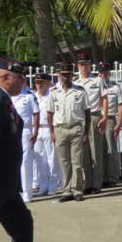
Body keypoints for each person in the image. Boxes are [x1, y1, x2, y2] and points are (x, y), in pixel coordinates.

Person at [0, 58, 54, 242]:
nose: (24, 82)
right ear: (5, 78)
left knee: (22, 223)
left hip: (6, 184)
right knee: (22, 224)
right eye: (19, 78)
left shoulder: (5, 100)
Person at [47, 62, 90, 202]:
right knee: (64, 162)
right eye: (62, 75)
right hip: (60, 129)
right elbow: (49, 113)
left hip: (76, 128)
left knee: (77, 161)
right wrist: (52, 132)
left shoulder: (80, 91)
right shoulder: (54, 92)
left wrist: (86, 132)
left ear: (72, 75)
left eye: (67, 75)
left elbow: (87, 112)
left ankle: (77, 190)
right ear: (58, 75)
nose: (65, 77)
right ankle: (66, 190)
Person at [74, 53, 103, 194]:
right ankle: (87, 183)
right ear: (78, 66)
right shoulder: (75, 82)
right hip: (80, 119)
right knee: (83, 152)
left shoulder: (97, 80)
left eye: (86, 64)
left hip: (94, 115)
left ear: (90, 65)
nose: (83, 67)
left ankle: (96, 184)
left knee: (96, 151)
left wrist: (104, 116)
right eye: (81, 64)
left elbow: (104, 98)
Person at [11, 74, 39, 203]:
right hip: (11, 131)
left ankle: (27, 193)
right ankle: (15, 192)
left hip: (26, 130)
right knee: (13, 162)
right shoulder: (9, 95)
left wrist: (35, 132)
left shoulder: (29, 96)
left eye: (21, 80)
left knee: (26, 162)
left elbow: (36, 113)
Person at [32, 74, 60, 196]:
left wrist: (53, 130)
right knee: (40, 160)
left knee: (52, 159)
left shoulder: (52, 95)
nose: (39, 85)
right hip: (37, 129)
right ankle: (43, 186)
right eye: (37, 83)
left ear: (48, 84)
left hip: (49, 128)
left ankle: (53, 186)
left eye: (41, 83)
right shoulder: (32, 96)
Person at [97, 62, 122, 187]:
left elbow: (121, 106)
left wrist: (119, 123)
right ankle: (101, 177)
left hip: (110, 119)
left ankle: (112, 177)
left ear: (109, 73)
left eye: (105, 72)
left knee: (111, 149)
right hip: (98, 119)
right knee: (99, 150)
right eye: (101, 72)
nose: (103, 74)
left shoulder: (115, 88)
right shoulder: (95, 87)